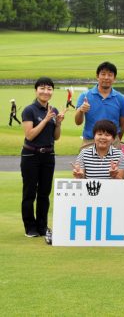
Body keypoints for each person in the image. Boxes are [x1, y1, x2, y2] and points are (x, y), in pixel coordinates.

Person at [21, 77, 66, 238]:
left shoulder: (53, 110)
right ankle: (30, 227)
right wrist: (46, 119)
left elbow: (56, 137)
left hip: (48, 155)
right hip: (31, 155)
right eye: (42, 88)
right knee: (29, 193)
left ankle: (42, 226)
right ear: (36, 90)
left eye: (49, 88)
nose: (46, 91)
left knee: (44, 193)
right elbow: (30, 135)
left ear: (52, 91)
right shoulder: (29, 110)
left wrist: (58, 123)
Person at [75, 61, 124, 149]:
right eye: (103, 74)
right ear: (97, 76)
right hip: (90, 141)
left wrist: (115, 140)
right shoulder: (85, 95)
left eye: (110, 75)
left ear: (114, 78)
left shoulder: (120, 98)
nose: (106, 77)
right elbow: (78, 122)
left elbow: (122, 126)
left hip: (113, 142)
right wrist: (81, 110)